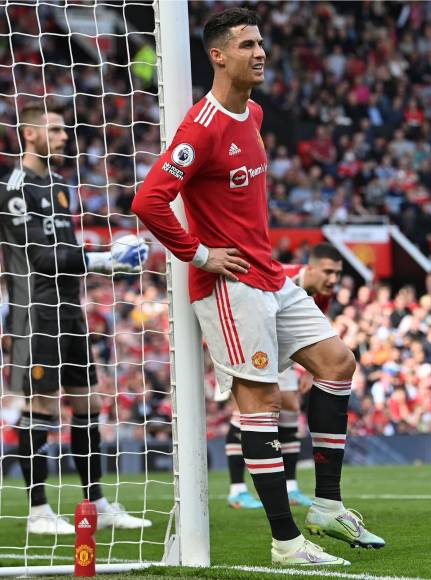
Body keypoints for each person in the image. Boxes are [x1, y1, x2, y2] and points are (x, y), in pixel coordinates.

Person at [132, 7, 384, 566]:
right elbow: (148, 200)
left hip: (269, 273)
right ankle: (285, 542)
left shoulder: (255, 114)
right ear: (218, 55)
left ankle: (326, 505)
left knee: (338, 362)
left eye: (261, 42)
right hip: (229, 285)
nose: (260, 52)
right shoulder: (200, 129)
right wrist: (198, 253)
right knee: (262, 400)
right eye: (247, 44)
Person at [0, 103, 150, 535]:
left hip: (71, 309)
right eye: (56, 130)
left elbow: (65, 255)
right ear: (29, 135)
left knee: (90, 403)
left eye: (65, 130)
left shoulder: (62, 185)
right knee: (41, 407)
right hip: (36, 313)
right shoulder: (14, 188)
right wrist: (105, 258)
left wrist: (102, 260)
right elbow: (41, 257)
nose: (66, 136)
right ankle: (39, 512)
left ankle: (97, 502)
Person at [226, 243, 343, 510]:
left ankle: (290, 486)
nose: (333, 279)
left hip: (281, 345)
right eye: (328, 272)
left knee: (290, 408)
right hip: (250, 339)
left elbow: (310, 332)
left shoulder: (323, 294)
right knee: (246, 409)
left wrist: (311, 369)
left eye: (337, 273)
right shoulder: (282, 276)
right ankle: (237, 490)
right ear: (309, 268)